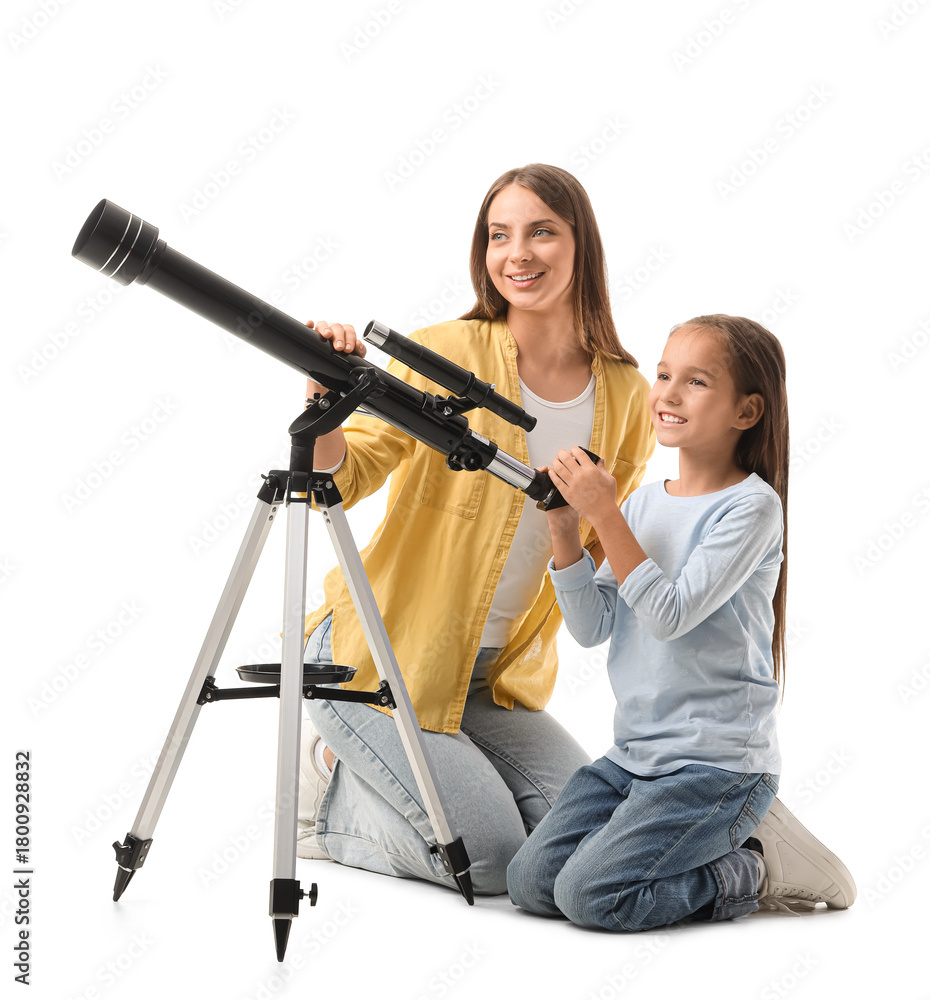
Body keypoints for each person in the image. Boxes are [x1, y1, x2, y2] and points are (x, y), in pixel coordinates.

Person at [294, 164, 655, 894]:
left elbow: (600, 557)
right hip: (379, 659)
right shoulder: (445, 354)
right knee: (489, 861)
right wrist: (324, 401)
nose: (516, 254)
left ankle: (419, 770)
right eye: (499, 235)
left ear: (581, 244)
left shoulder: (626, 394)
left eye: (541, 232)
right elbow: (342, 478)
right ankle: (324, 796)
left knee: (583, 838)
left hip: (492, 680)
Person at [506, 314, 856, 928]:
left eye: (696, 381)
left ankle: (754, 866)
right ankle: (702, 843)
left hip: (715, 765)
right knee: (531, 884)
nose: (667, 394)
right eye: (664, 374)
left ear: (746, 411)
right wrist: (565, 527)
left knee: (590, 898)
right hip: (634, 756)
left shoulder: (751, 507)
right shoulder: (643, 502)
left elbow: (669, 615)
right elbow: (593, 626)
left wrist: (605, 514)